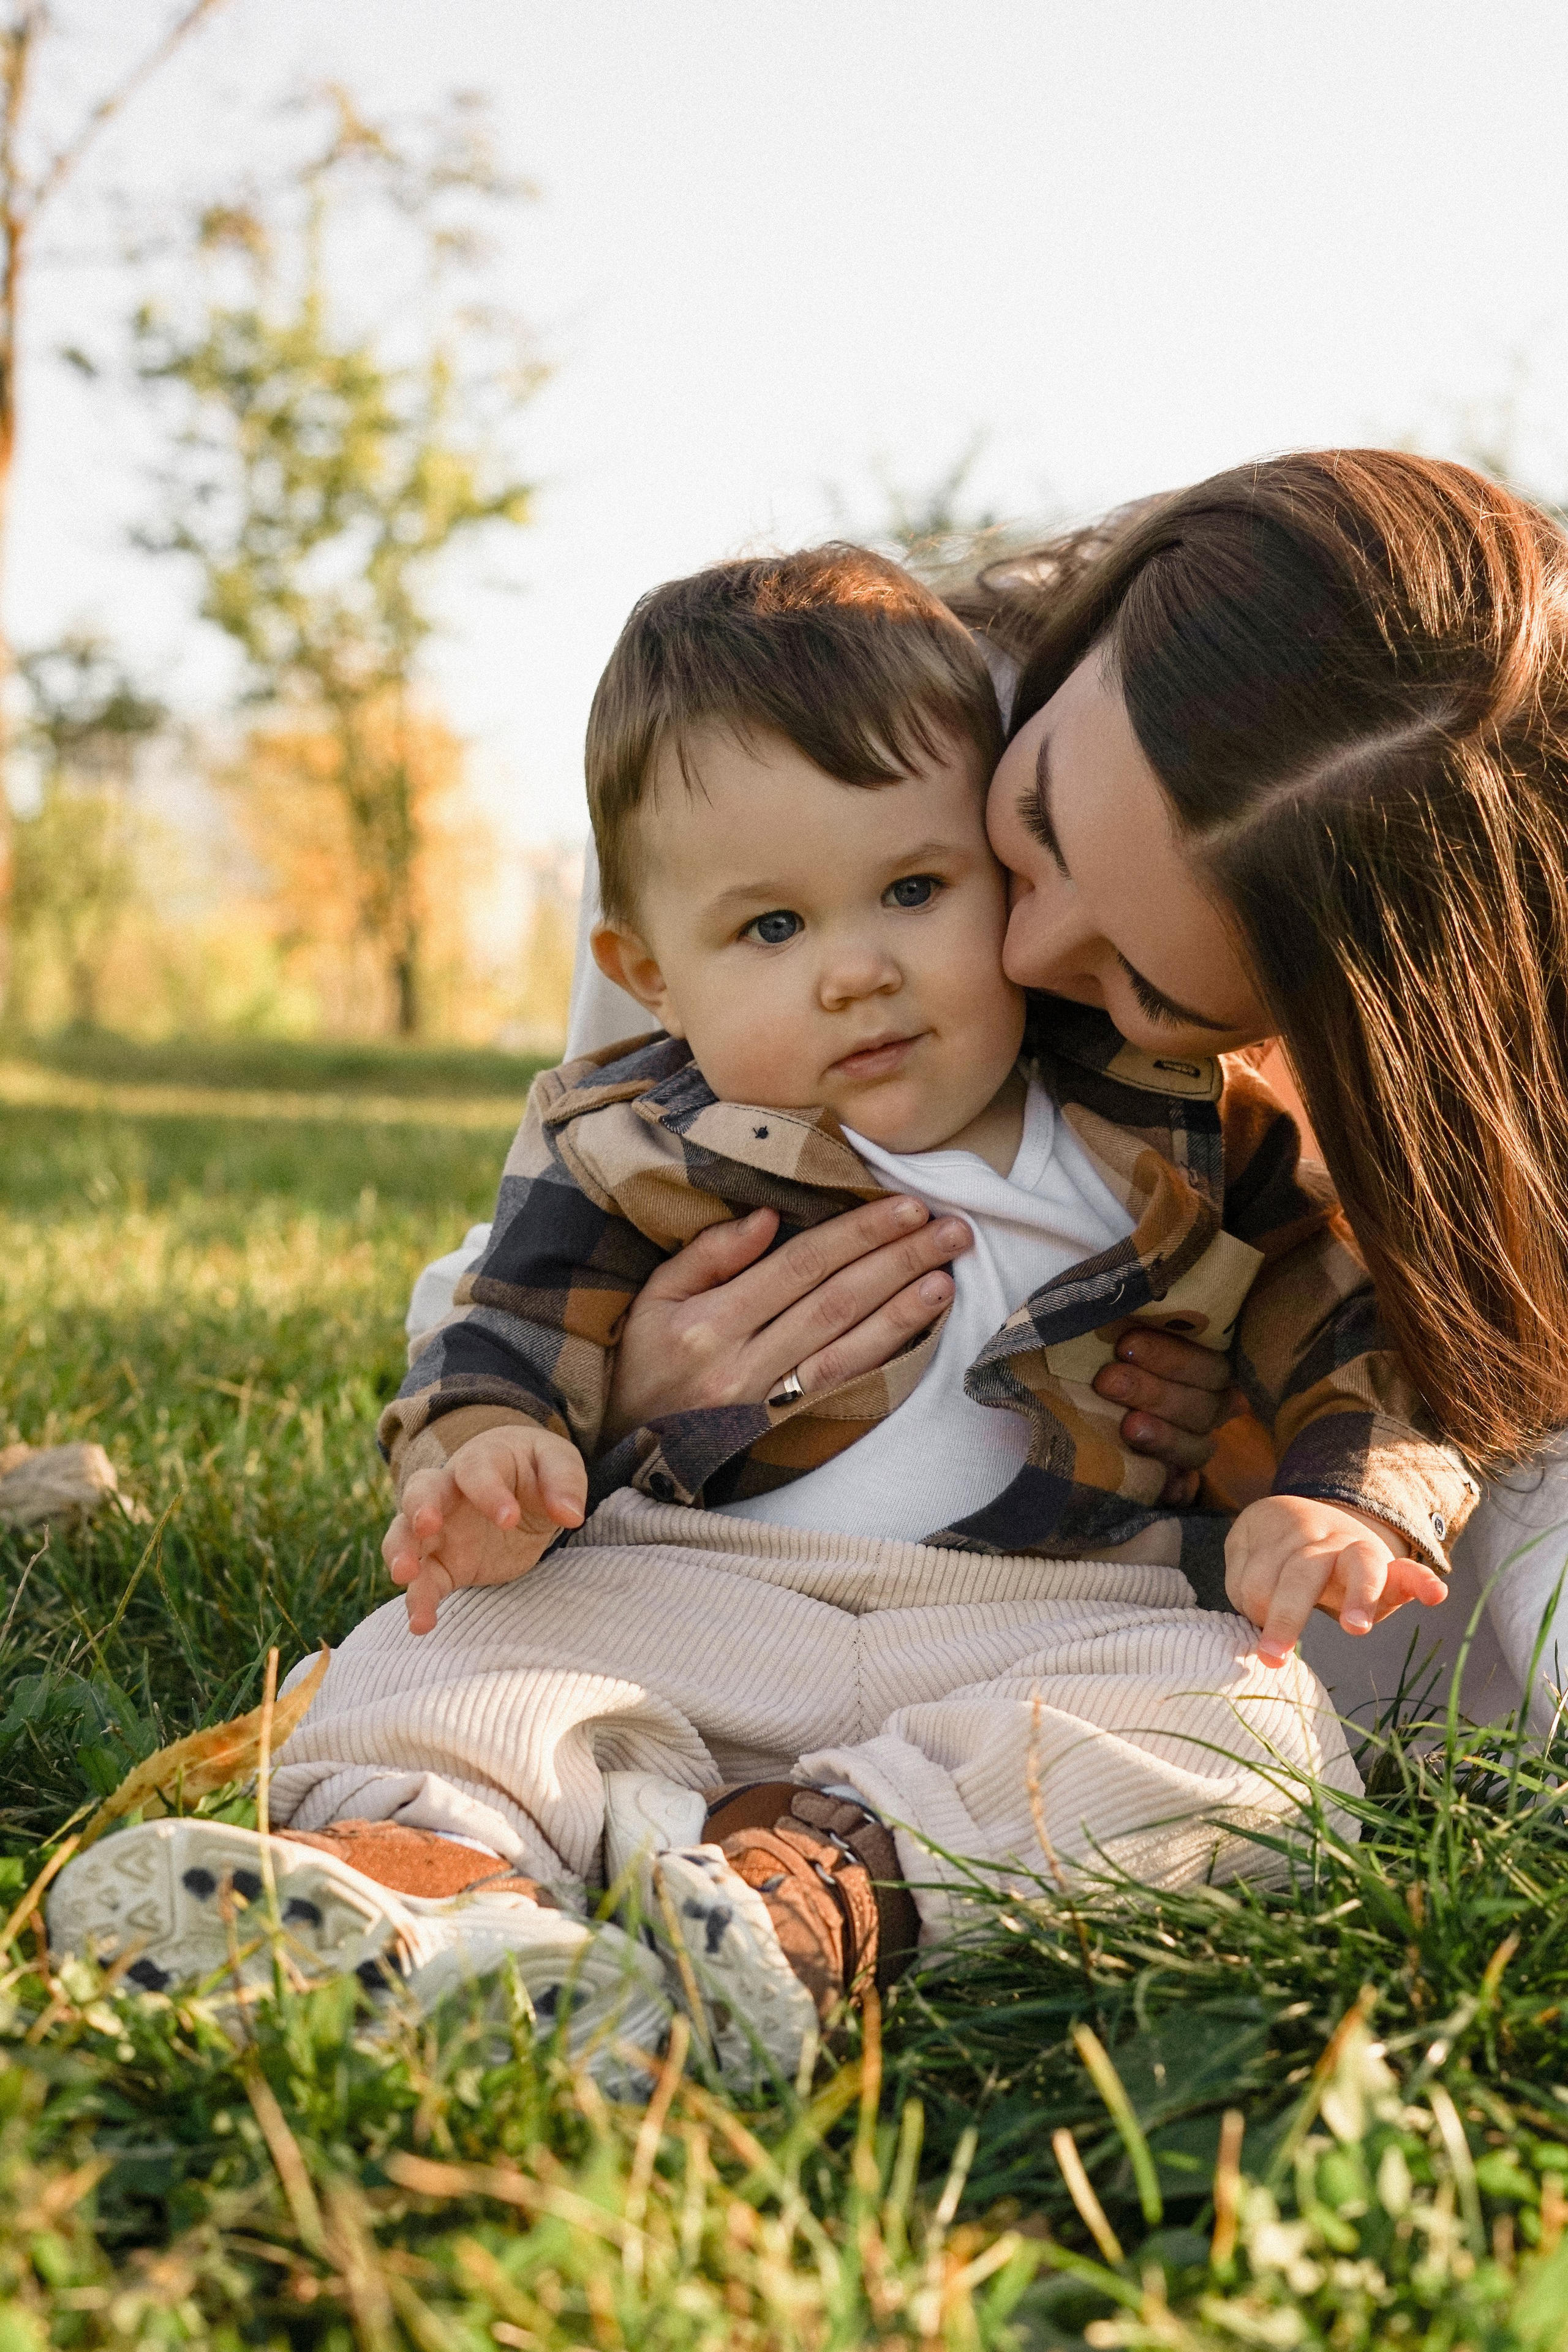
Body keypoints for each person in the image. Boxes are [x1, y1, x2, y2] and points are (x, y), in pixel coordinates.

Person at [51, 534, 1458, 2093]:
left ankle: (810, 1902)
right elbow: (501, 1331)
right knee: (425, 1661)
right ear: (649, 972)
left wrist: (1338, 1498)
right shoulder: (620, 1136)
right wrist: (486, 1455)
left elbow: (1343, 1327)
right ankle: (441, 1896)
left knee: (1252, 1739)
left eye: (915, 891)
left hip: (1038, 1621)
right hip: (687, 1579)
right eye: (770, 931)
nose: (858, 972)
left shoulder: (1187, 1130)